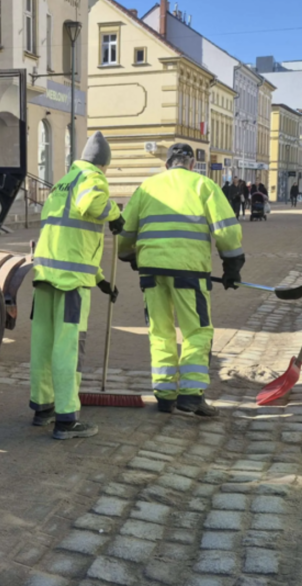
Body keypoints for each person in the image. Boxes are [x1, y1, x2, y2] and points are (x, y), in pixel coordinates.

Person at [117, 144, 244, 417]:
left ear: (167, 164)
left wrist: (129, 255)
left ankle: (164, 396)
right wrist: (232, 266)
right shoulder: (204, 185)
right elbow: (226, 230)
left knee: (160, 332)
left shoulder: (147, 187)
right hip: (189, 270)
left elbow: (126, 229)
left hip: (151, 270)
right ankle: (191, 395)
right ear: (191, 165)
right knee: (196, 331)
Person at [30, 132, 122, 440]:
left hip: (46, 275)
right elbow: (92, 204)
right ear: (103, 164)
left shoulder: (62, 182)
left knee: (43, 344)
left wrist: (101, 280)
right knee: (68, 347)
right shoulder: (92, 177)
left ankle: (43, 408)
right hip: (70, 285)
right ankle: (66, 419)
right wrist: (116, 213)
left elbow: (71, 239)